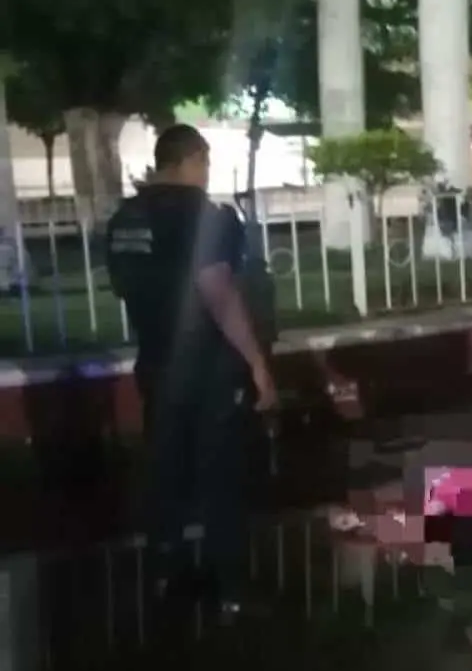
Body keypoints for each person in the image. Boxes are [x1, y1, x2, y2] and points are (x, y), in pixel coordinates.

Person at [106, 124, 278, 623]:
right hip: (209, 369)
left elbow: (124, 287)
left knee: (166, 472)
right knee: (220, 476)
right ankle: (231, 590)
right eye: (205, 162)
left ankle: (166, 576)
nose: (207, 173)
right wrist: (257, 362)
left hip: (157, 364)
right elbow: (217, 290)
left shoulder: (123, 221)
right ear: (192, 160)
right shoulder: (206, 216)